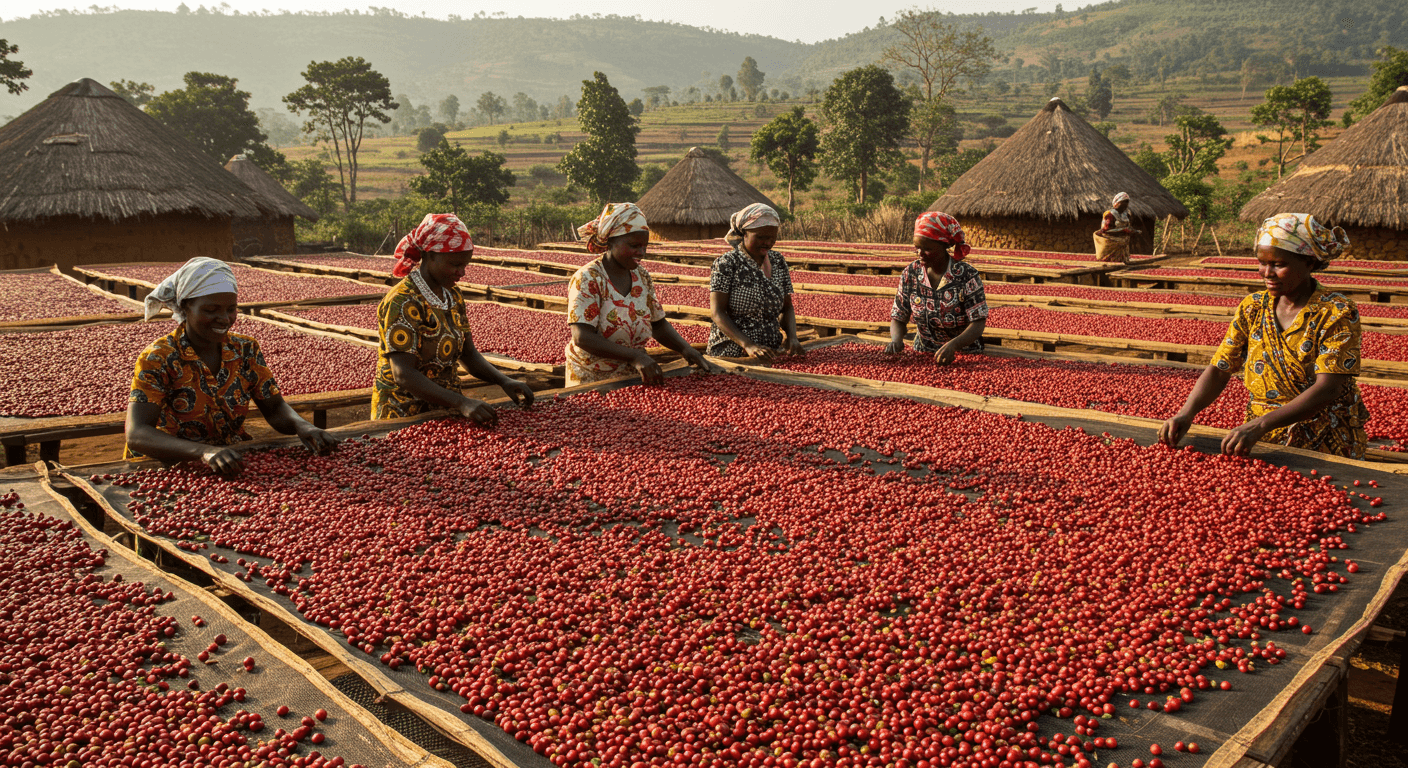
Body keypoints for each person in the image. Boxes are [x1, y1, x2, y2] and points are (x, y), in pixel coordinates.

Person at [1160, 213, 1368, 458]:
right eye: (1262, 263)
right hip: (1262, 438)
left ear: (1310, 263)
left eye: (1279, 264)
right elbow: (1220, 368)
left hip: (1324, 438)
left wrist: (1261, 424)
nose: (1266, 272)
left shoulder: (1336, 311)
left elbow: (1328, 388)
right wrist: (1187, 412)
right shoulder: (1253, 307)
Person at [125, 257, 338, 479]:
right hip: (168, 467)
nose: (224, 319)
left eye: (231, 309)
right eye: (211, 310)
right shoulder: (158, 357)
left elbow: (274, 408)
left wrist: (302, 426)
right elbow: (138, 433)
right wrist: (204, 452)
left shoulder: (245, 349)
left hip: (230, 461)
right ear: (186, 306)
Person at [372, 213, 534, 423]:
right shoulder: (403, 301)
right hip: (403, 413)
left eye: (465, 265)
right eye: (455, 265)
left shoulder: (452, 295)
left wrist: (503, 381)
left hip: (446, 409)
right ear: (430, 256)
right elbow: (403, 374)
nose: (462, 272)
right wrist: (461, 402)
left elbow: (468, 355)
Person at [565, 202, 711, 386]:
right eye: (634, 245)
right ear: (611, 241)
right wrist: (635, 356)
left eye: (645, 246)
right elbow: (582, 337)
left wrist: (685, 349)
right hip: (592, 377)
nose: (641, 252)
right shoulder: (588, 278)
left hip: (632, 374)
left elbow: (657, 324)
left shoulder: (641, 276)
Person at [884, 212, 989, 365]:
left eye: (927, 249)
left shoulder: (966, 275)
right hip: (922, 353)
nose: (920, 253)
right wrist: (896, 340)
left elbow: (978, 322)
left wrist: (954, 345)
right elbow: (899, 316)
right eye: (917, 248)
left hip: (964, 355)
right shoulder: (911, 273)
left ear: (944, 246)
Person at [706, 203, 804, 362]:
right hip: (731, 352)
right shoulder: (726, 264)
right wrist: (748, 345)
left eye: (772, 237)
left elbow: (787, 307)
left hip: (771, 352)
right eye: (761, 237)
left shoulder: (778, 261)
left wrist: (792, 337)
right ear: (744, 233)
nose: (767, 242)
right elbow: (717, 313)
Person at [1095, 192, 1141, 264]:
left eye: (1127, 203)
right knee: (1111, 262)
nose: (1125, 206)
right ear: (1117, 203)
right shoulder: (1109, 214)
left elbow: (1127, 226)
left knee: (1123, 262)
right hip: (1111, 242)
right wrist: (1123, 230)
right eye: (1123, 203)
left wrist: (1133, 231)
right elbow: (1106, 230)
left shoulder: (1125, 214)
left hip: (1122, 242)